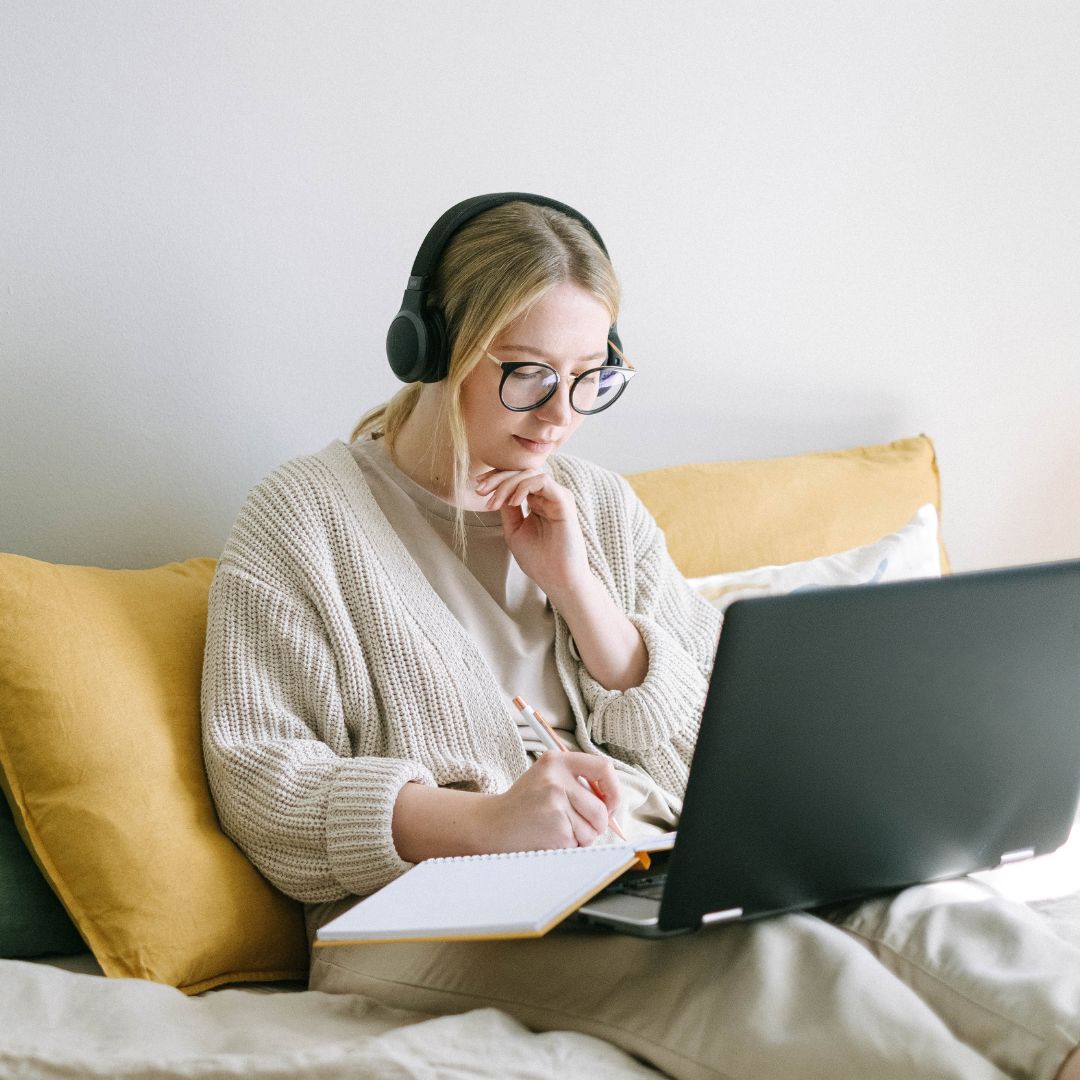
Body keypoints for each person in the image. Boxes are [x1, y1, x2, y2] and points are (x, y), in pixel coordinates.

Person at [201, 193, 1080, 1080]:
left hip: (647, 867)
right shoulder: (303, 518)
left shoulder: (600, 508)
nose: (559, 416)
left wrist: (582, 594)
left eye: (589, 378)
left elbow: (717, 749)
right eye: (527, 373)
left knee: (933, 913)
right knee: (777, 973)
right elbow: (265, 784)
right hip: (422, 919)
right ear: (434, 349)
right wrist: (490, 822)